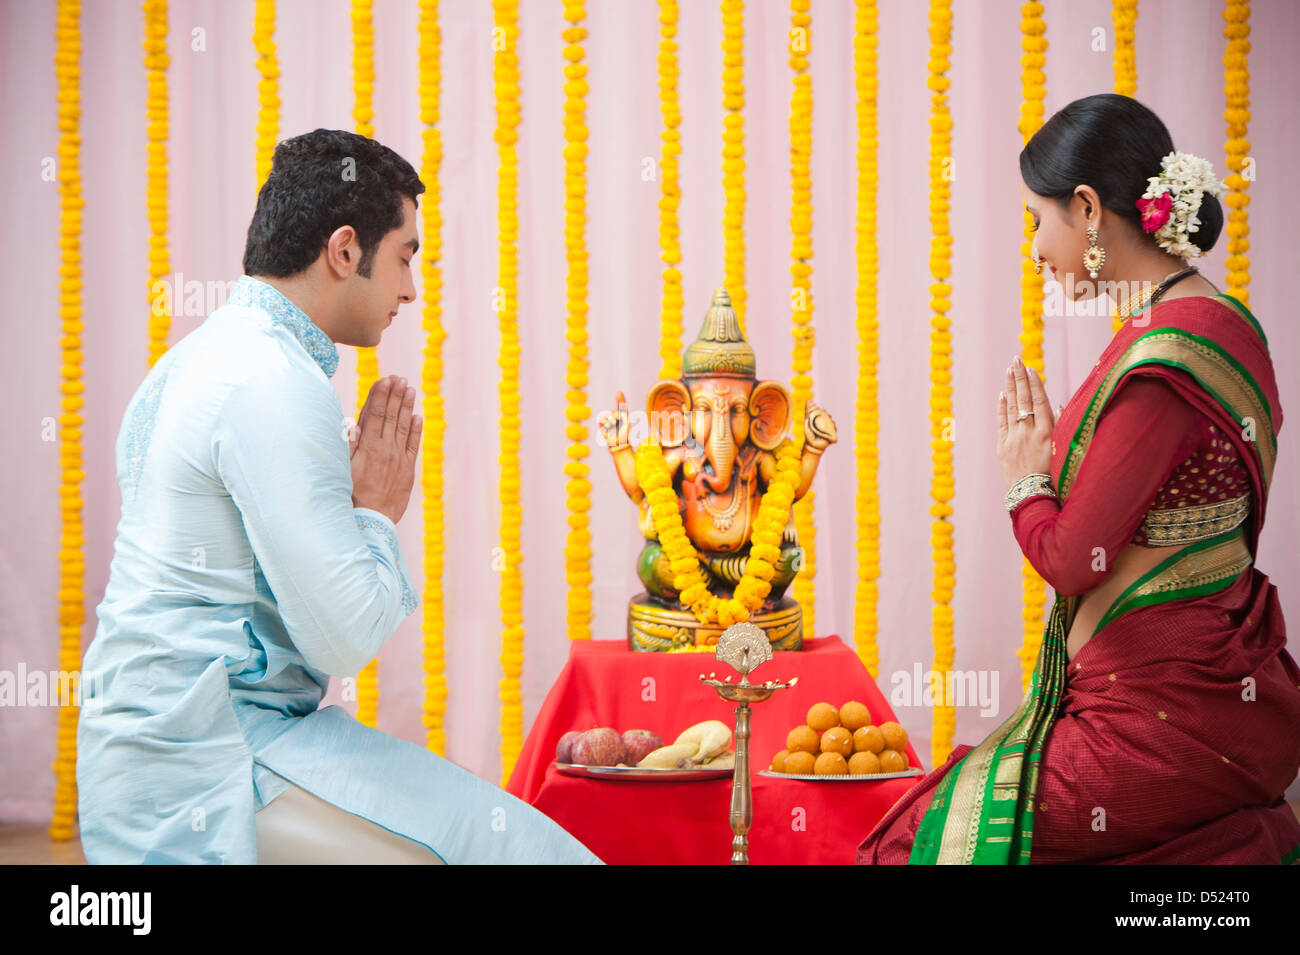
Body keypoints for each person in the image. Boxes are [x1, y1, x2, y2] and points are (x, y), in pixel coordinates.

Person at [76, 129, 601, 864]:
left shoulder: (197, 358)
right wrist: (376, 513)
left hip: (154, 756)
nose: (411, 289)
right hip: (209, 764)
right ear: (346, 250)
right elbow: (344, 637)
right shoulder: (272, 380)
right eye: (406, 255)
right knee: (519, 851)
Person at [858, 94, 1300, 865]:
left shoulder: (1166, 357)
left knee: (914, 849)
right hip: (1209, 696)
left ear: (1088, 209)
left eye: (1038, 219)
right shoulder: (1221, 324)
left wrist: (1026, 477)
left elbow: (1071, 559)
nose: (1034, 248)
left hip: (1159, 722)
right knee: (939, 799)